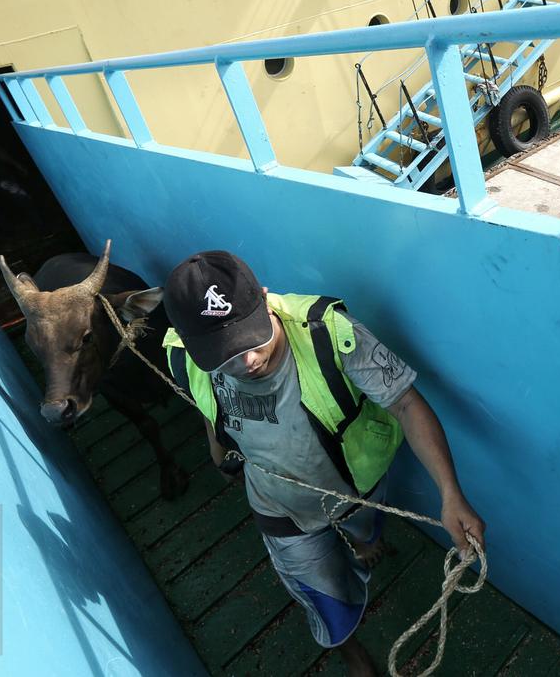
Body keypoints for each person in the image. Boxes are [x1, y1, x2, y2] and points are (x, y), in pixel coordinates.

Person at [161, 251, 485, 677]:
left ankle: (364, 543)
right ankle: (351, 650)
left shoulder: (328, 333)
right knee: (325, 599)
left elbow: (406, 403)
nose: (247, 362)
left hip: (357, 488)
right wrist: (217, 451)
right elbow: (207, 402)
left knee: (366, 532)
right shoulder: (185, 357)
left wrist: (450, 493)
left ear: (264, 299)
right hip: (279, 509)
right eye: (224, 355)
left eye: (250, 340)